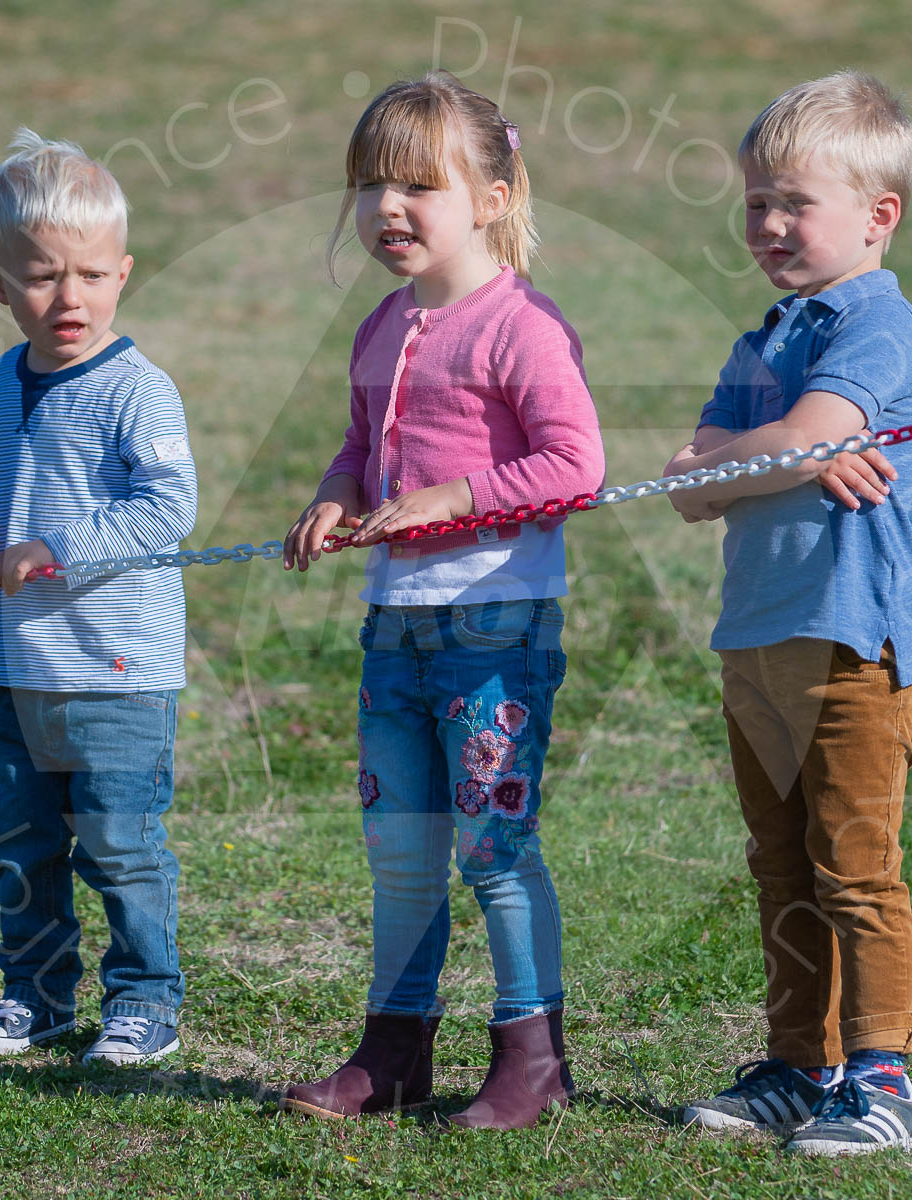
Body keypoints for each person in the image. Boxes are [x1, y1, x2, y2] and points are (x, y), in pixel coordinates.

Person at [279, 72, 605, 1130]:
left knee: (492, 848)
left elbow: (577, 464)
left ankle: (531, 1057)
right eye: (372, 183)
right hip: (395, 631)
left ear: (495, 196)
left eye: (419, 183)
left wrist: (455, 496)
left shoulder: (521, 327)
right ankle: (394, 1051)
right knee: (403, 849)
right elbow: (355, 448)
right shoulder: (381, 323)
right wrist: (337, 497)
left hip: (493, 630)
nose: (388, 207)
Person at [664, 72, 912, 1155]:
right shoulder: (767, 337)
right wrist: (767, 456)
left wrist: (757, 454)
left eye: (795, 203)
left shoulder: (878, 323)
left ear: (878, 216)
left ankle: (882, 1080)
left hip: (849, 641)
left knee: (854, 868)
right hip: (756, 641)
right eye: (755, 204)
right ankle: (799, 1063)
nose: (769, 225)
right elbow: (682, 486)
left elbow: (798, 437)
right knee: (778, 866)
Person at [0, 128, 197, 1066]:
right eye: (40, 277)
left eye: (92, 275)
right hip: (22, 666)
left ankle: (145, 1000)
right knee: (21, 844)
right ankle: (35, 996)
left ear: (123, 274)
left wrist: (58, 549)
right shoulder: (4, 380)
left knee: (118, 845)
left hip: (117, 668)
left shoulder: (137, 390)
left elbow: (169, 507)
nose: (69, 297)